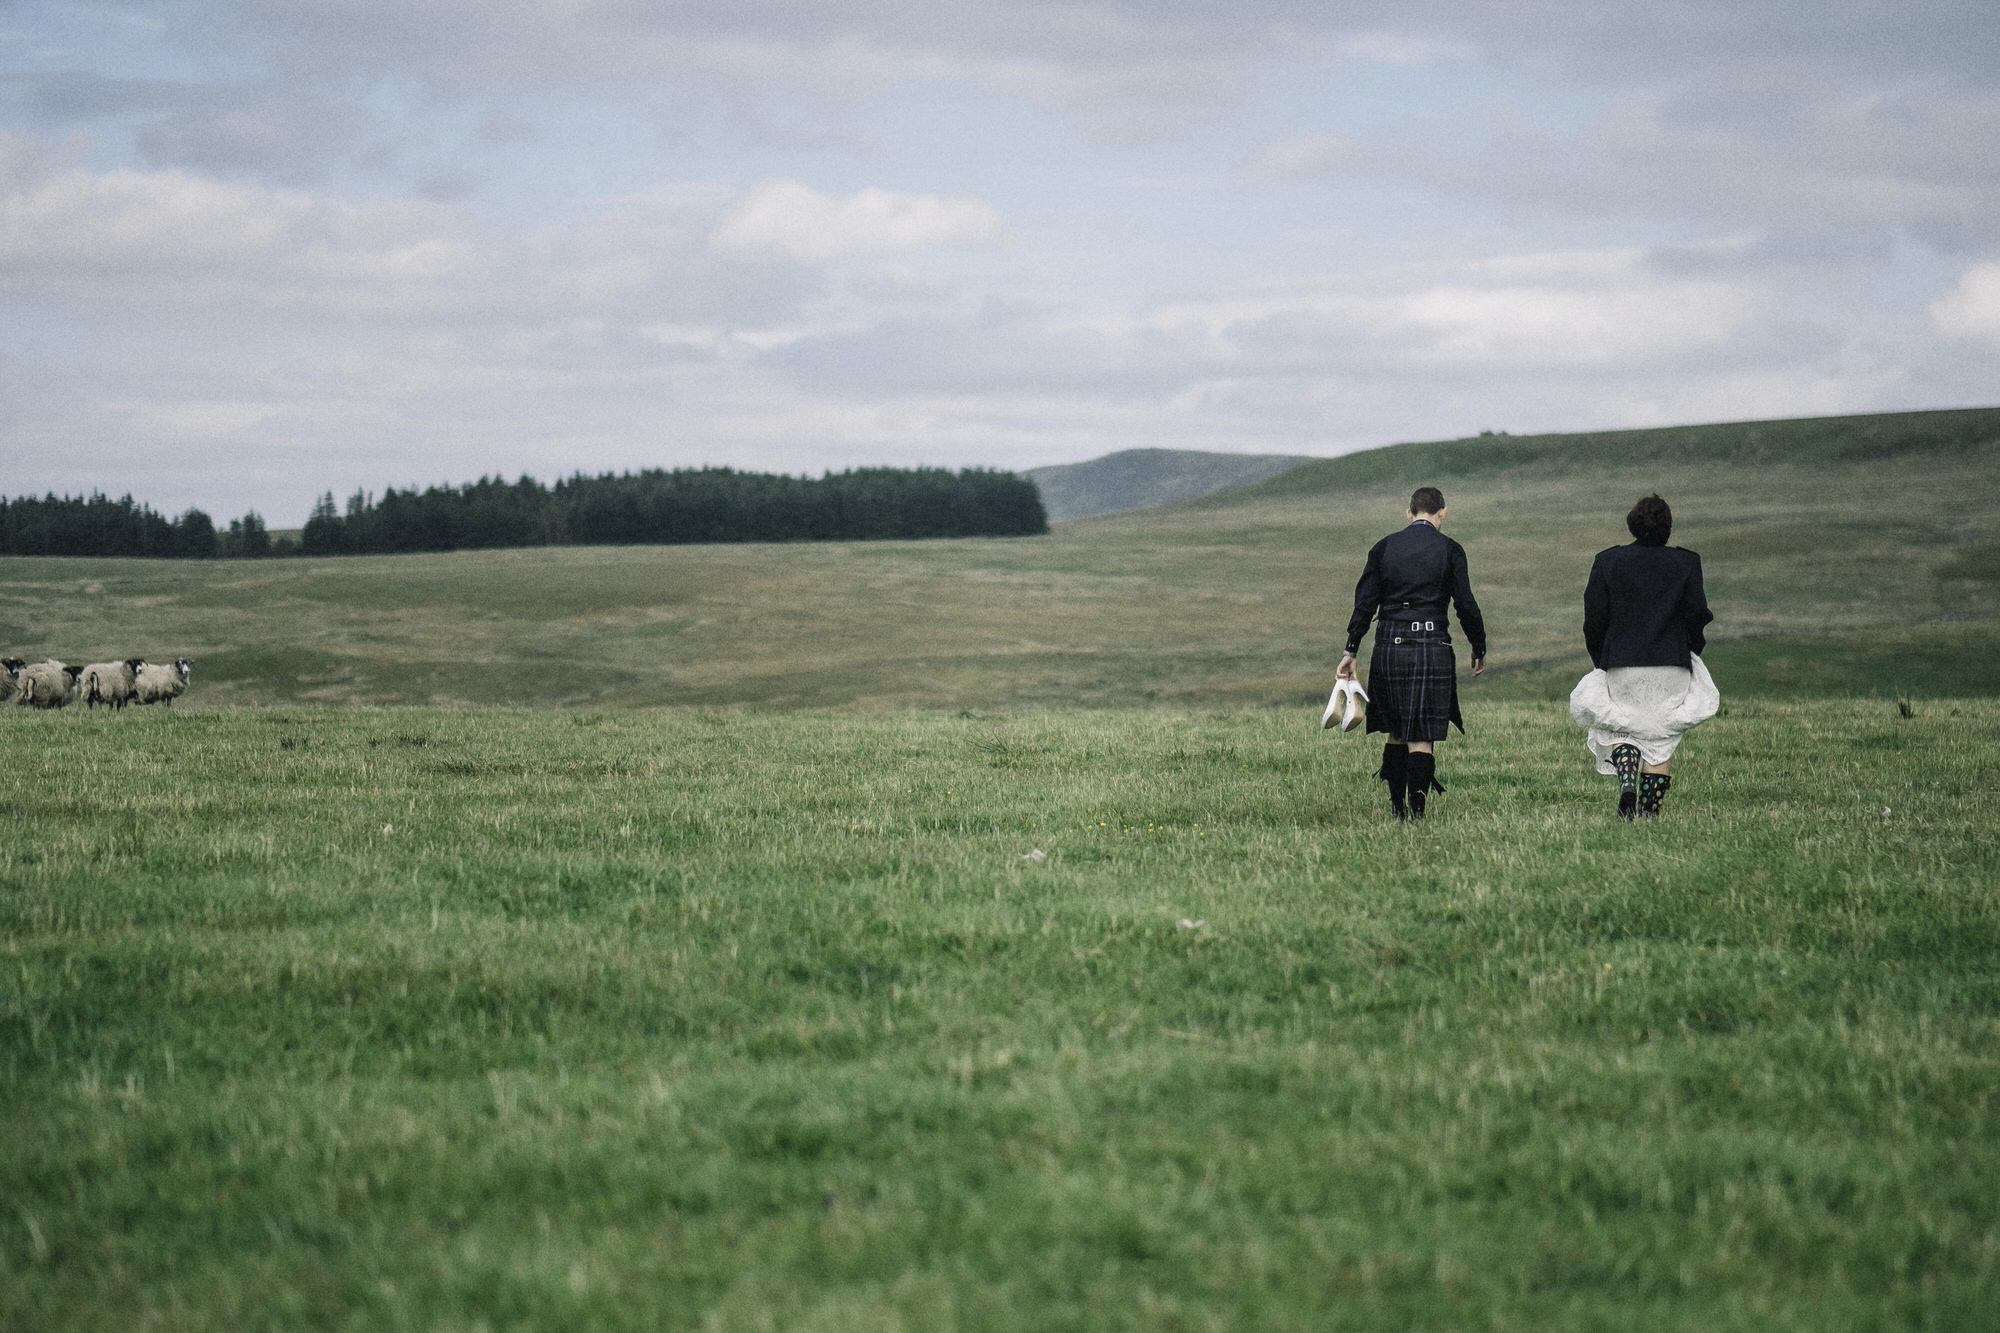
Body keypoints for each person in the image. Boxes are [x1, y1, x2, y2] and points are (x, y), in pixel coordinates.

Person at [1335, 486, 1487, 819]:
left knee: (1395, 729)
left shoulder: (1384, 547)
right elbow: (1465, 604)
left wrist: (1351, 649)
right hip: (1432, 645)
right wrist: (1478, 645)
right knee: (1422, 734)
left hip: (1389, 644)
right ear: (1442, 512)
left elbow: (1364, 603)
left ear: (1409, 513)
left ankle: (1396, 806)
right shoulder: (1450, 549)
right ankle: (1418, 810)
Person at [1570, 494, 1718, 818]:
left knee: (1624, 726)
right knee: (1659, 734)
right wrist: (1690, 650)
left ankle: (1626, 780)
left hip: (1623, 662)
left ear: (1632, 525)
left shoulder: (1608, 561)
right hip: (1672, 663)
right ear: (1667, 528)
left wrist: (1601, 658)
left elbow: (1594, 617)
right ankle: (1649, 812)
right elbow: (1697, 614)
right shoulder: (1687, 562)